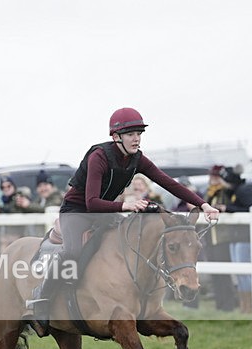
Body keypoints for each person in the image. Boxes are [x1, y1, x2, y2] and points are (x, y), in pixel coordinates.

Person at [29, 107, 218, 328]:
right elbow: (91, 203)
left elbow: (169, 183)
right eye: (130, 134)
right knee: (72, 251)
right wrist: (125, 205)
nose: (136, 138)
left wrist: (203, 204)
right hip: (77, 211)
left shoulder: (137, 158)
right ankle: (41, 297)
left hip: (104, 212)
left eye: (139, 133)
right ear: (116, 137)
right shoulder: (98, 157)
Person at [211, 166, 252, 314]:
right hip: (236, 236)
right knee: (239, 273)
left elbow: (249, 209)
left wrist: (228, 208)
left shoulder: (243, 191)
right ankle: (244, 305)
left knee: (244, 273)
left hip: (243, 237)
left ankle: (250, 306)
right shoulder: (234, 191)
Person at [203, 165, 238, 312]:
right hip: (210, 238)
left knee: (224, 274)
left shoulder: (226, 191)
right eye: (213, 176)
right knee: (215, 274)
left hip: (223, 238)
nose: (214, 179)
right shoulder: (208, 192)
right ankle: (219, 303)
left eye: (217, 176)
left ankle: (228, 304)